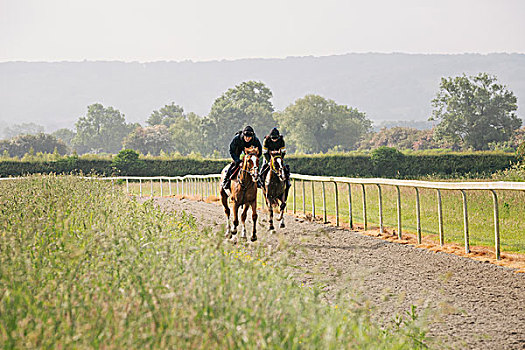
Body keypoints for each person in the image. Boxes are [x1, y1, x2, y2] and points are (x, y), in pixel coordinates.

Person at [221, 125, 262, 190]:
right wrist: (238, 160)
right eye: (246, 137)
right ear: (243, 135)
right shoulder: (237, 138)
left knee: (254, 164)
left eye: (249, 137)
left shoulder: (255, 140)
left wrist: (255, 159)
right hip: (238, 150)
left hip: (249, 152)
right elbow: (231, 151)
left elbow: (260, 152)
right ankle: (226, 181)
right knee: (234, 164)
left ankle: (259, 181)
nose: (247, 139)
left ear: (252, 136)